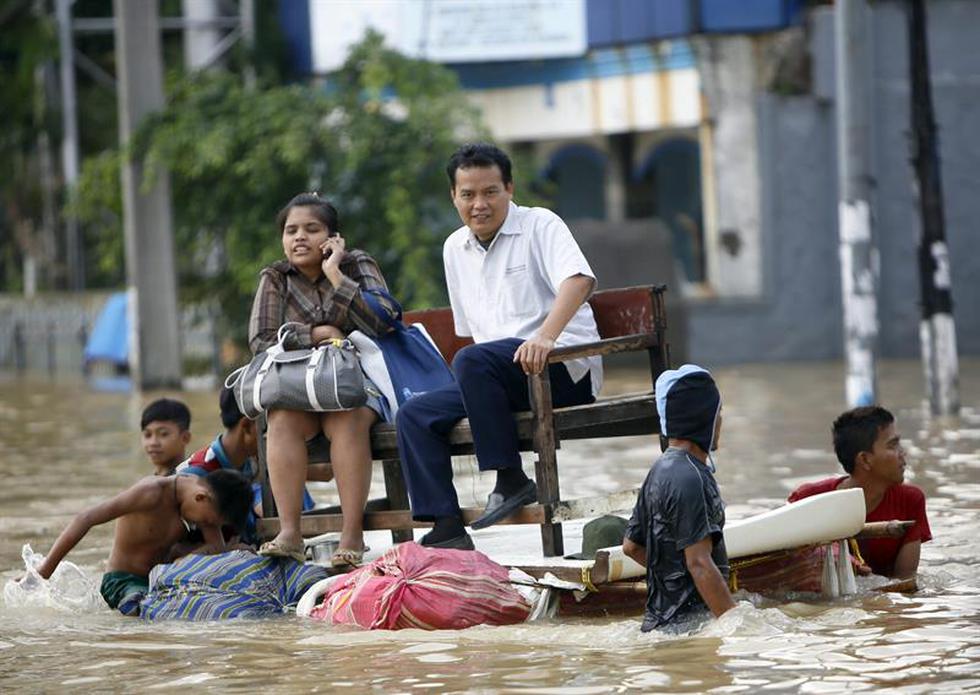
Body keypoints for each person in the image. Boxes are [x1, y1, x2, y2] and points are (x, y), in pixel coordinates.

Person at [396, 143, 601, 550]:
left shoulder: (540, 224)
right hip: (498, 377)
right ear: (453, 197)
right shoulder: (454, 248)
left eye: (490, 192)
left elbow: (579, 280)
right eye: (468, 194)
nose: (480, 204)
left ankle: (510, 478)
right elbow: (474, 331)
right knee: (414, 414)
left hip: (561, 369)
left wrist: (545, 335)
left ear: (509, 187)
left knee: (472, 360)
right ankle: (446, 526)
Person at [248, 192, 395, 567]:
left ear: (332, 237)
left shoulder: (357, 263)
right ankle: (290, 532)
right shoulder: (275, 278)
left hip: (357, 382)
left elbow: (384, 320)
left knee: (346, 417)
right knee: (280, 420)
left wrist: (336, 276)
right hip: (300, 387)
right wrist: (316, 334)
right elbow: (262, 342)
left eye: (312, 229)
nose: (300, 238)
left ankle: (352, 535)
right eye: (291, 230)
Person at [32, 469, 252, 616]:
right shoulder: (151, 492)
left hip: (157, 580)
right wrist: (43, 572)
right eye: (207, 522)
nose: (208, 526)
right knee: (140, 607)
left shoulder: (204, 501)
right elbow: (86, 518)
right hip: (123, 581)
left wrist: (231, 550)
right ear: (201, 498)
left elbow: (217, 549)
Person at [622, 364, 735, 632]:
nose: (721, 421)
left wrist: (673, 581)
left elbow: (631, 546)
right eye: (718, 413)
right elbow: (699, 563)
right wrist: (736, 625)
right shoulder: (691, 477)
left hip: (659, 625)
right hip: (691, 628)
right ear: (704, 418)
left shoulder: (658, 470)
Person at [788, 406, 932, 578]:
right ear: (864, 459)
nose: (903, 452)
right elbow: (786, 562)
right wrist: (831, 555)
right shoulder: (808, 499)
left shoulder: (910, 501)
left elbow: (904, 582)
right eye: (892, 445)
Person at [140, 398, 192, 476]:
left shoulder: (189, 480)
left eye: (163, 434)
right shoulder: (149, 482)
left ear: (185, 438)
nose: (153, 443)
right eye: (148, 435)